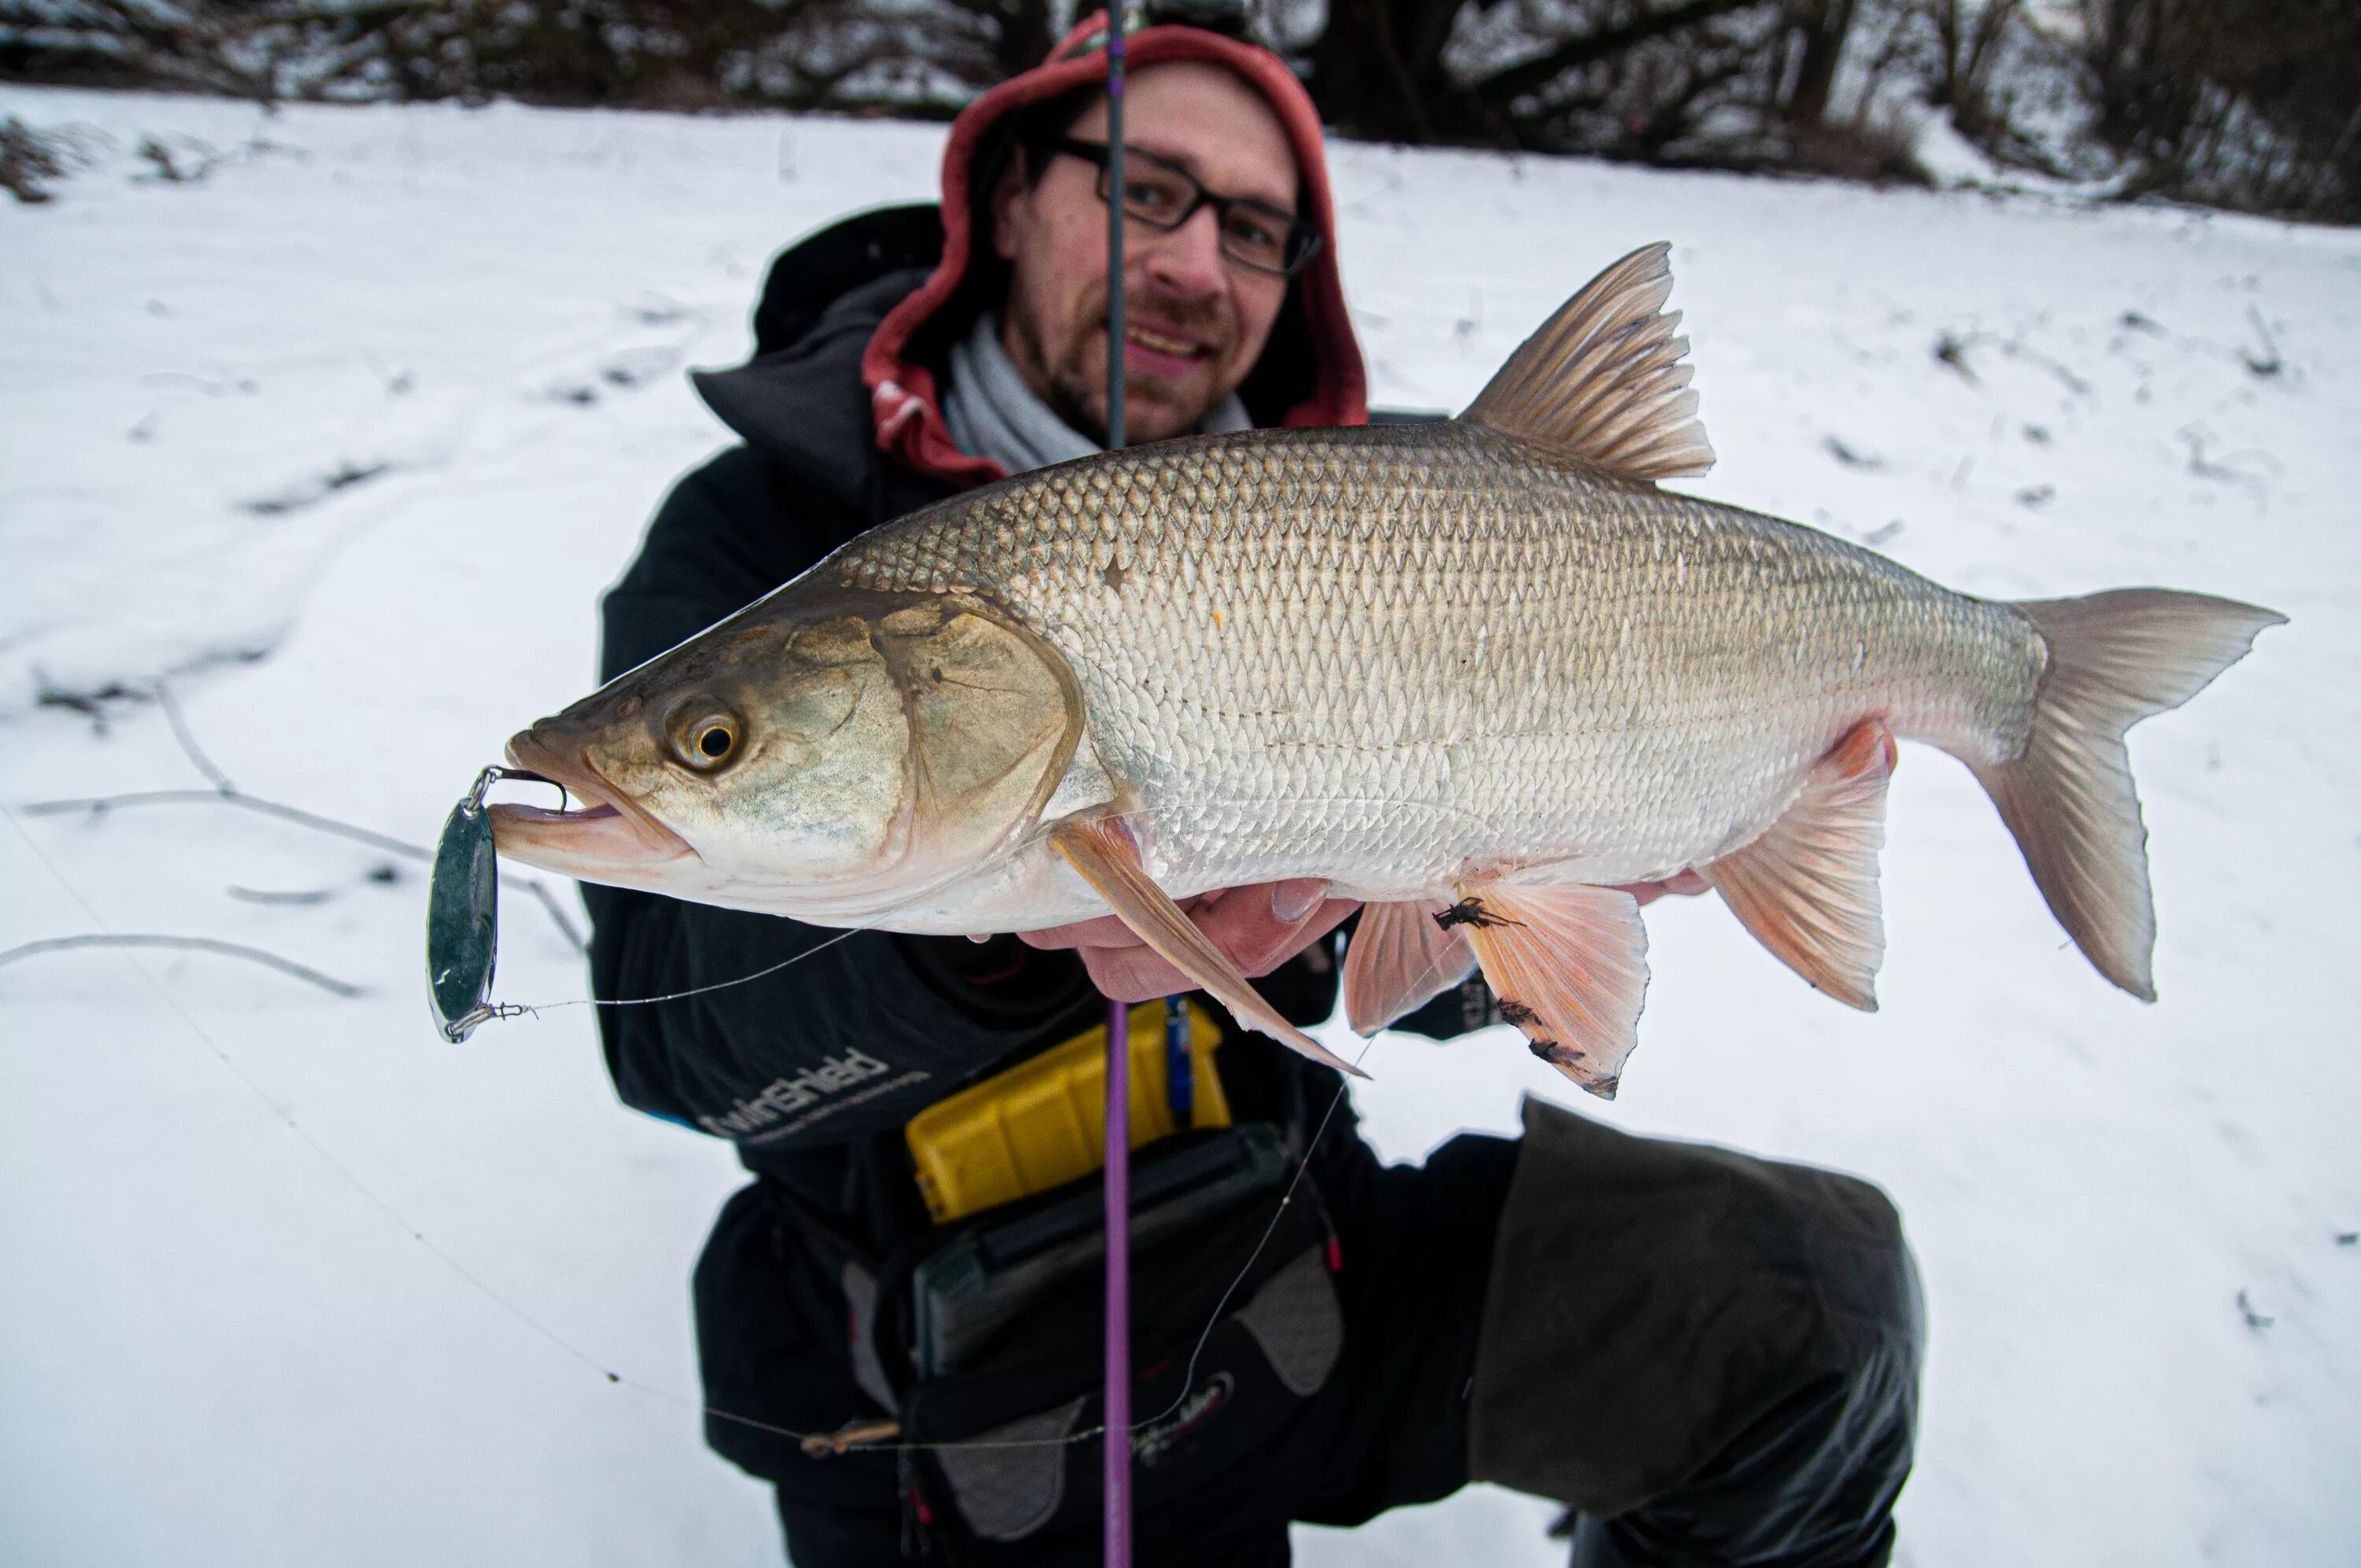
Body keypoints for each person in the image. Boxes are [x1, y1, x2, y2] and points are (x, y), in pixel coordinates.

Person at [585, 9, 1922, 1565]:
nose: (1197, 264)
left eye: (1259, 228)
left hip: (1298, 1274)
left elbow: (1398, 977)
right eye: (1143, 190)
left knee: (1811, 1309)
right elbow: (664, 1030)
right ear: (1007, 195)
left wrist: (1535, 899)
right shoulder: (767, 540)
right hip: (951, 1395)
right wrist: (1014, 952)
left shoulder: (1364, 529)